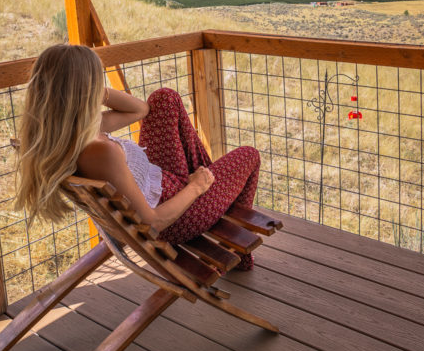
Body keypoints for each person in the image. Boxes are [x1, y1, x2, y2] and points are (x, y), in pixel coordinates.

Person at [14, 43, 259, 268]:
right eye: (95, 81)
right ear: (84, 89)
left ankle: (213, 188)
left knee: (164, 98)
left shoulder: (69, 134)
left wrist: (93, 91)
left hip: (162, 183)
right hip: (176, 217)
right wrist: (197, 187)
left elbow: (141, 109)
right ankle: (238, 251)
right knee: (249, 155)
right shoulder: (101, 151)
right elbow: (152, 223)